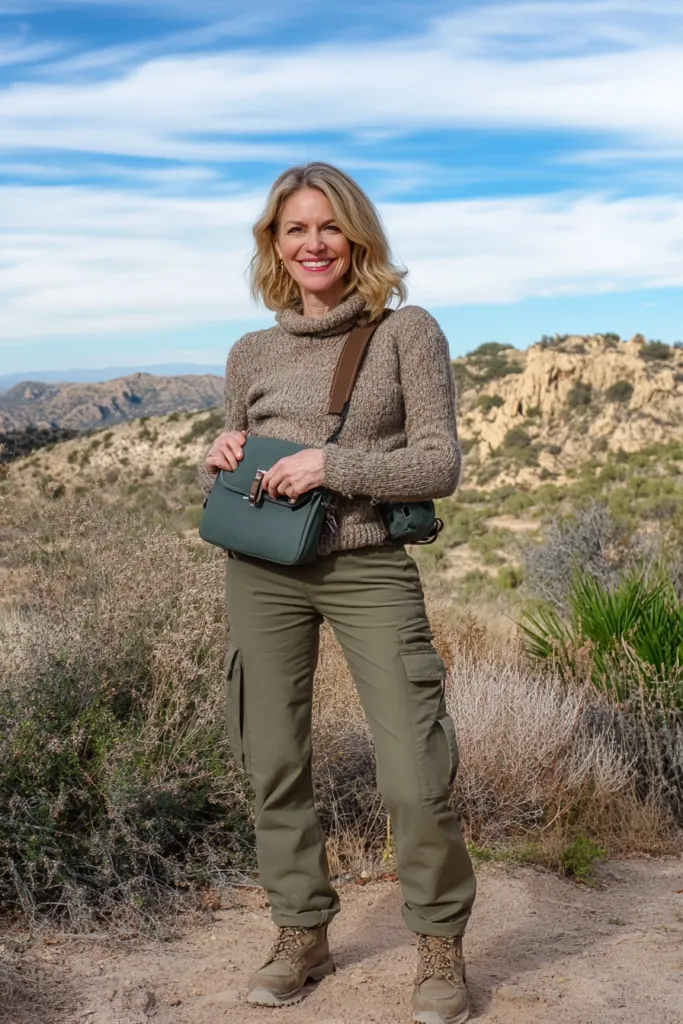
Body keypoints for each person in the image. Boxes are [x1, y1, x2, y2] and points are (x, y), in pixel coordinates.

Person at [201, 162, 476, 1024]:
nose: (312, 243)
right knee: (271, 760)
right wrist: (221, 455)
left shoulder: (407, 333)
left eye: (328, 227)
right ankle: (300, 932)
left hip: (367, 566)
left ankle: (437, 947)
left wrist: (334, 463)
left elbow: (440, 463)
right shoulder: (250, 351)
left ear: (356, 235)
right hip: (263, 571)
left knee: (413, 770)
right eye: (294, 230)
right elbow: (246, 457)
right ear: (273, 246)